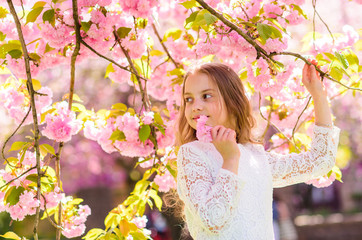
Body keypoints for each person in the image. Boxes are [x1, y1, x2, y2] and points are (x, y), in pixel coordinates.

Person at [174, 62, 340, 239]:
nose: (195, 106)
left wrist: (318, 94)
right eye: (188, 99)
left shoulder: (255, 156)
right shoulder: (192, 154)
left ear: (232, 101)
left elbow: (320, 162)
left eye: (206, 96)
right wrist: (230, 159)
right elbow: (213, 220)